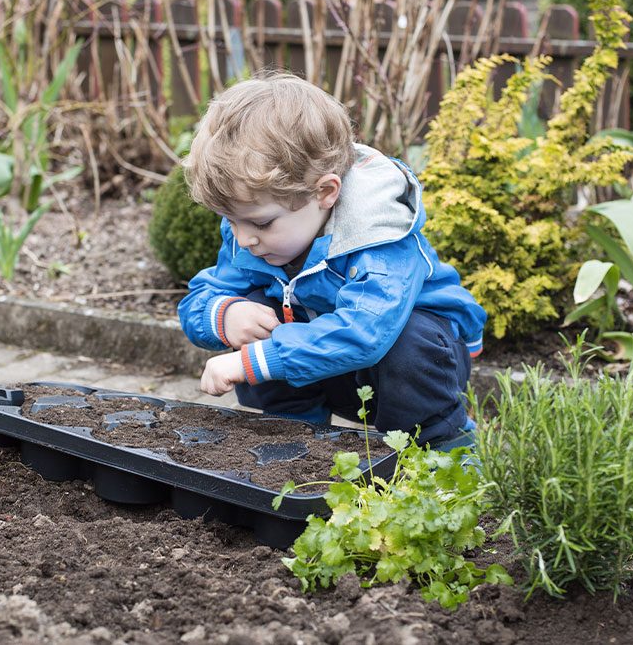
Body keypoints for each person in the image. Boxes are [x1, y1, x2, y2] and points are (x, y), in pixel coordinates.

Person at [177, 73, 485, 449]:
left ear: (324, 192)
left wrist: (252, 362)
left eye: (260, 222)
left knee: (408, 341)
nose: (243, 238)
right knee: (260, 314)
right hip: (328, 365)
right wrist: (224, 315)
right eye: (231, 220)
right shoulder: (255, 235)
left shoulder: (380, 234)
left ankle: (442, 448)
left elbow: (365, 332)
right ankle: (296, 438)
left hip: (418, 371)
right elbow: (201, 296)